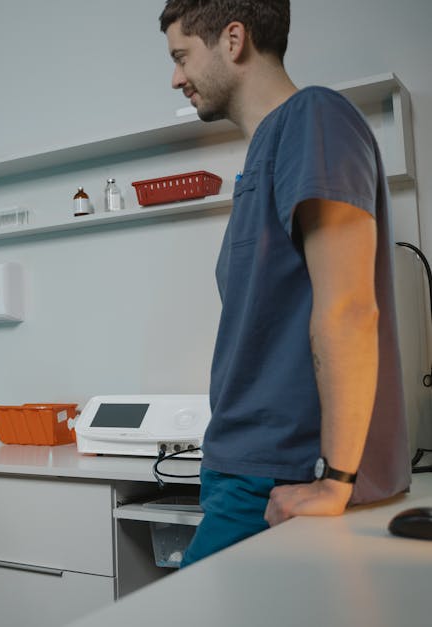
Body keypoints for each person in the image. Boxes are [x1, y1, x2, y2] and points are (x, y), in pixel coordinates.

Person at [158, 0, 411, 567]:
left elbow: (348, 308)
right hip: (242, 470)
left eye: (181, 56)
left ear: (233, 39)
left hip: (280, 477)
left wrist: (336, 478)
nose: (175, 77)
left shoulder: (314, 117)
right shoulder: (261, 157)